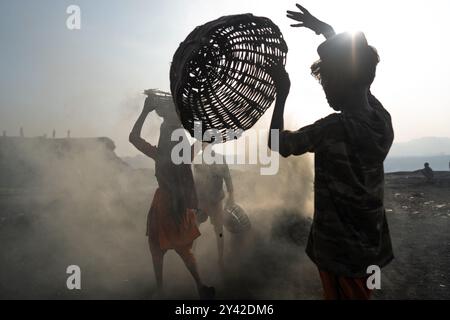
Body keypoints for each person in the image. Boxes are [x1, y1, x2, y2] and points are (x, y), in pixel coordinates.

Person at [267, 4, 394, 299]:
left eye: (326, 82)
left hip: (339, 253)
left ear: (337, 82)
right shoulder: (381, 120)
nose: (325, 90)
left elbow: (277, 143)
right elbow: (358, 75)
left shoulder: (332, 129)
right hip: (369, 245)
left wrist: (281, 94)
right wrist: (327, 33)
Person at [129, 93, 214, 299]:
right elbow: (207, 136)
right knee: (184, 249)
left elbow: (133, 138)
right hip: (182, 206)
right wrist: (191, 117)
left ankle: (161, 290)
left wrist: (145, 111)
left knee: (157, 249)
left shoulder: (159, 155)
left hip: (165, 206)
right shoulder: (187, 154)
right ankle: (200, 286)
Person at [193, 144, 235, 271]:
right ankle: (191, 255)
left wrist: (231, 197)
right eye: (203, 144)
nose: (205, 146)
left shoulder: (219, 159)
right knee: (194, 229)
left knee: (219, 231)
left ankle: (220, 259)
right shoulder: (198, 160)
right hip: (201, 200)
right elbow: (195, 181)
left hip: (216, 200)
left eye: (207, 144)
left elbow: (228, 181)